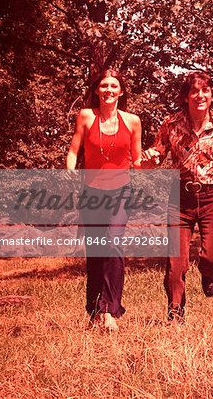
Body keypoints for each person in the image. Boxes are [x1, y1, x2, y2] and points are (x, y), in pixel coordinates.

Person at [142, 71, 213, 321]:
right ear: (185, 97)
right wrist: (148, 158)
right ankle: (175, 312)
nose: (200, 95)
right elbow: (156, 155)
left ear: (212, 95)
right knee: (175, 264)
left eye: (205, 90)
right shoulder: (171, 124)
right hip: (179, 198)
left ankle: (208, 272)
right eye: (194, 91)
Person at [66, 68, 141, 331]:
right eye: (104, 86)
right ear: (97, 90)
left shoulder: (132, 121)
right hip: (92, 194)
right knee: (96, 251)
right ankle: (95, 310)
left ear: (121, 92)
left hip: (121, 192)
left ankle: (111, 311)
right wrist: (69, 171)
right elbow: (74, 151)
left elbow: (137, 159)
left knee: (113, 246)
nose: (109, 90)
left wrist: (151, 161)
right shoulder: (86, 117)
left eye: (114, 86)